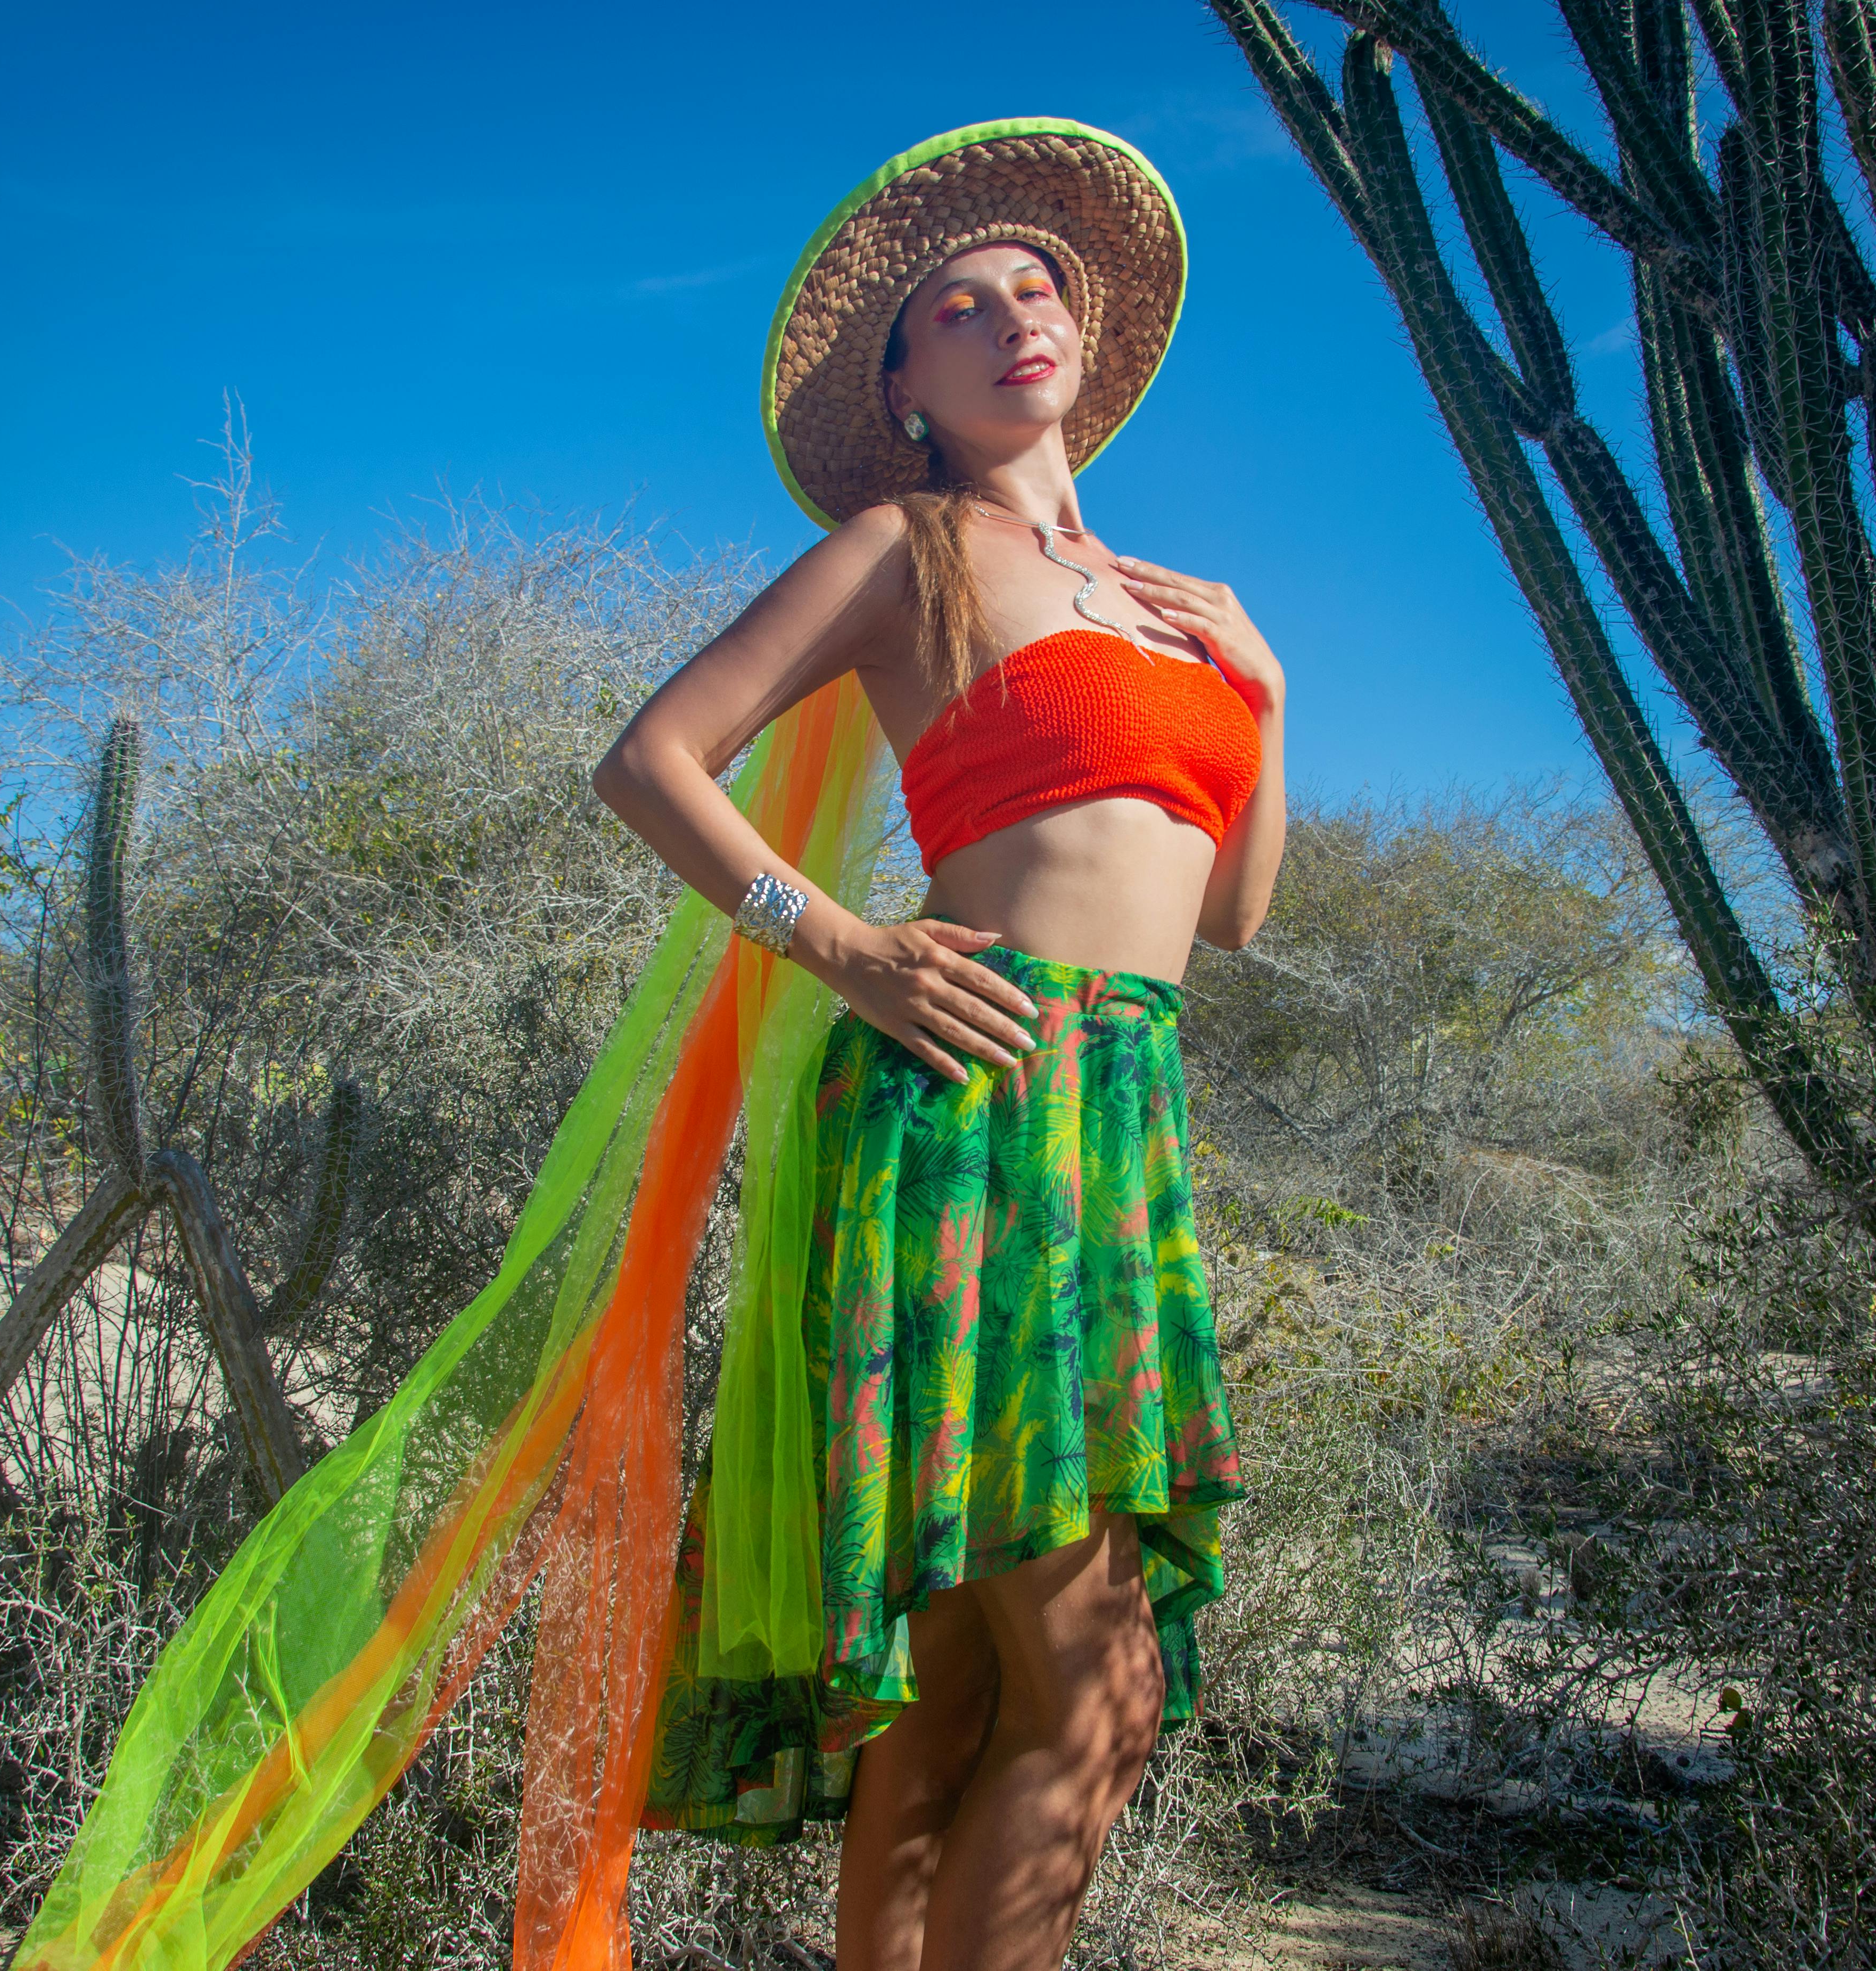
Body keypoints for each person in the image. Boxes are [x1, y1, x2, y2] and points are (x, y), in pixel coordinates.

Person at [594, 120, 1288, 1971]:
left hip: (1124, 1113)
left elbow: (1230, 917)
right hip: (978, 1095)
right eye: (958, 308)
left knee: (964, 1703)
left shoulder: (1170, 610)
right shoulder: (904, 549)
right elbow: (649, 764)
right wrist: (837, 943)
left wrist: (1267, 697)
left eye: (1035, 288)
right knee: (1101, 1697)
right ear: (905, 386)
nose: (1011, 318)